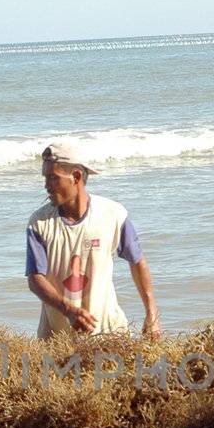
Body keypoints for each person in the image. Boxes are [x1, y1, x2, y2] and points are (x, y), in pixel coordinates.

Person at [26, 141, 160, 339]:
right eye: (45, 178)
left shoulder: (112, 214)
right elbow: (35, 280)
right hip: (57, 339)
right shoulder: (39, 223)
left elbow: (138, 261)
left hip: (110, 334)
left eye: (53, 178)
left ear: (76, 177)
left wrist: (152, 314)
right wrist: (68, 310)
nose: (46, 186)